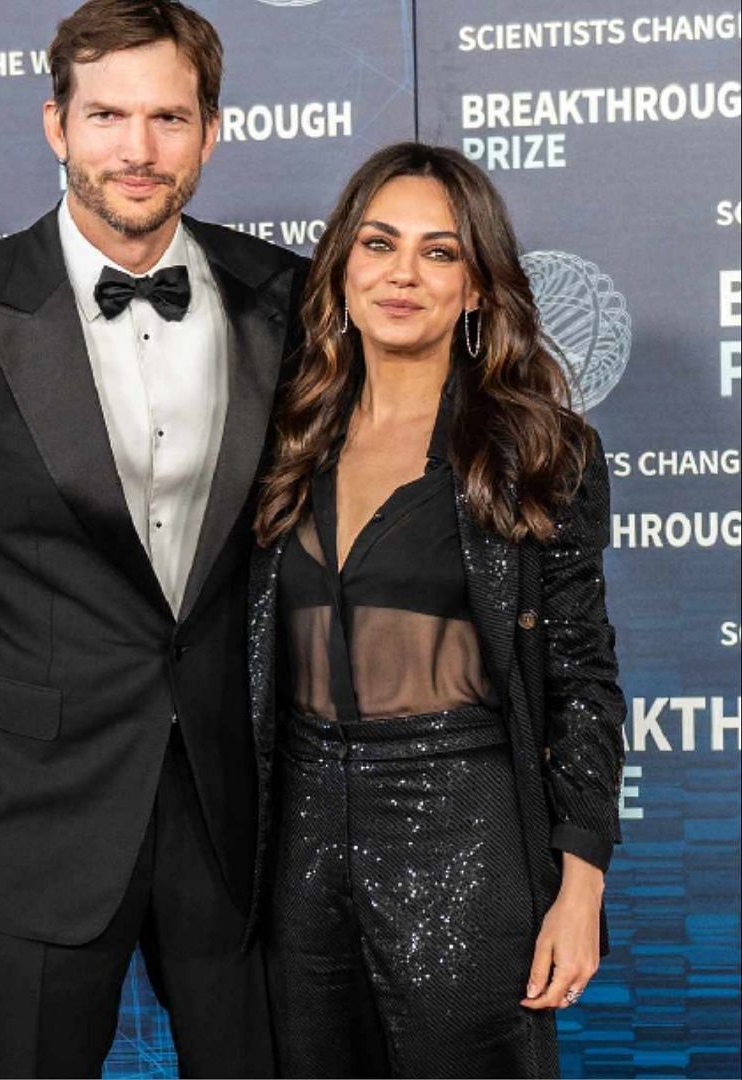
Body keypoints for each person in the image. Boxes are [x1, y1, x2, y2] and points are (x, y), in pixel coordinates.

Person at [0, 0, 306, 1073]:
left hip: (237, 808)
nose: (137, 150)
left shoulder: (285, 299)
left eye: (168, 118)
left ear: (211, 132)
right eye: (107, 116)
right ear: (56, 125)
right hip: (29, 805)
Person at [248, 142, 623, 1077]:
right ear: (339, 270)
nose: (402, 273)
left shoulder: (540, 451)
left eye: (440, 251)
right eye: (378, 244)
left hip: (462, 817)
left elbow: (583, 677)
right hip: (294, 827)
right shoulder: (278, 435)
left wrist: (579, 886)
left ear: (479, 289)